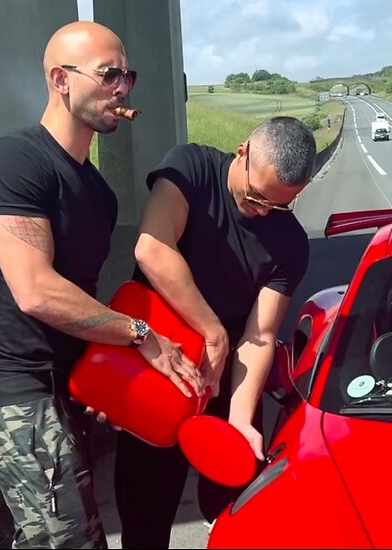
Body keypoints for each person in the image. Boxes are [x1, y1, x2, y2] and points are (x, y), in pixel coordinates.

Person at [0, 20, 204, 550]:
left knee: (68, 537)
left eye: (127, 76)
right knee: (66, 539)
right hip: (12, 385)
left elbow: (81, 303)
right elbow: (35, 290)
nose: (122, 89)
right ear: (60, 79)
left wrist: (100, 382)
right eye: (108, 74)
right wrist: (141, 335)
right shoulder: (15, 160)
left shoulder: (97, 193)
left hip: (65, 389)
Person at [114, 117, 316, 548]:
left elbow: (258, 335)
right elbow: (151, 247)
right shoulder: (191, 169)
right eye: (258, 197)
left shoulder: (291, 245)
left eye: (280, 206)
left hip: (226, 385)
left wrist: (239, 419)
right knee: (145, 515)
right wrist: (212, 331)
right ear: (242, 152)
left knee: (231, 515)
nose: (263, 212)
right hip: (159, 372)